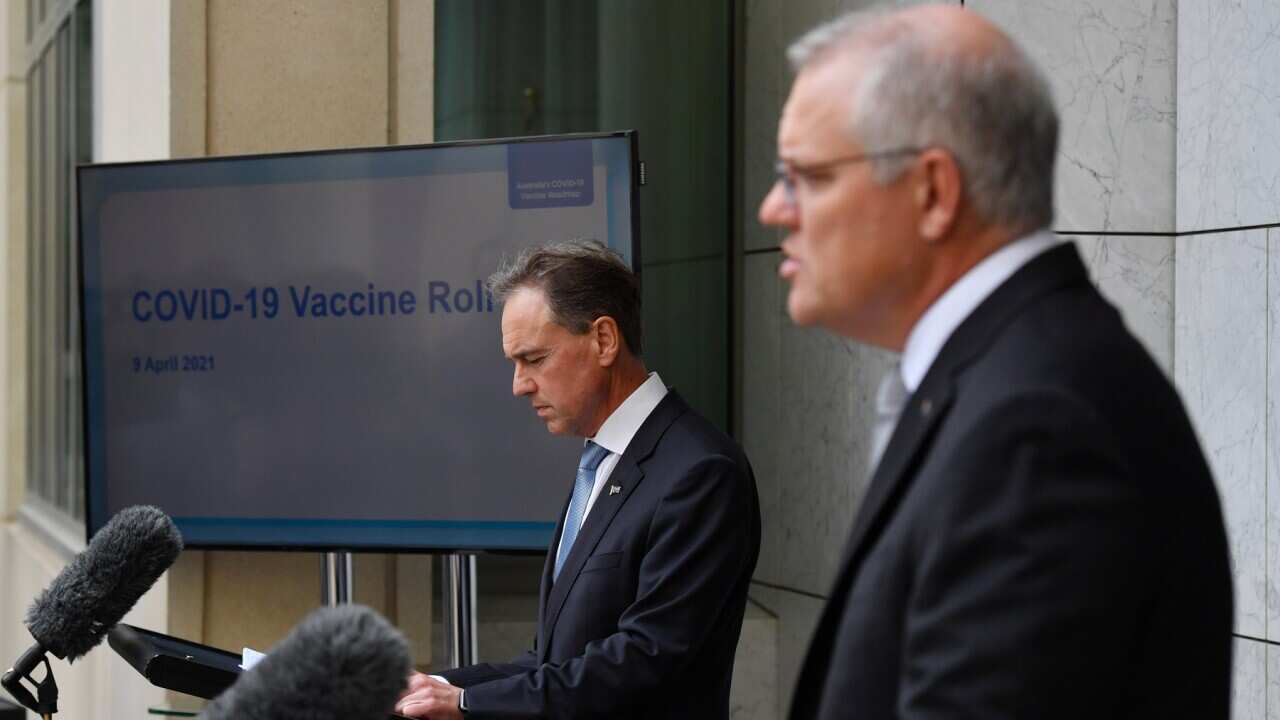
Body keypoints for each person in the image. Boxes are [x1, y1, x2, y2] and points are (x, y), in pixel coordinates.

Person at [757, 5, 1233, 718]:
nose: (773, 208)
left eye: (807, 176)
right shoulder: (1010, 382)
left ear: (934, 192)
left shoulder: (1035, 429)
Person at [395, 240, 760, 719]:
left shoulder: (701, 472)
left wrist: (465, 703)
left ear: (604, 340)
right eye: (515, 364)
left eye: (535, 359)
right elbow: (554, 663)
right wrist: (433, 687)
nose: (519, 385)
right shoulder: (603, 460)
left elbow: (641, 662)